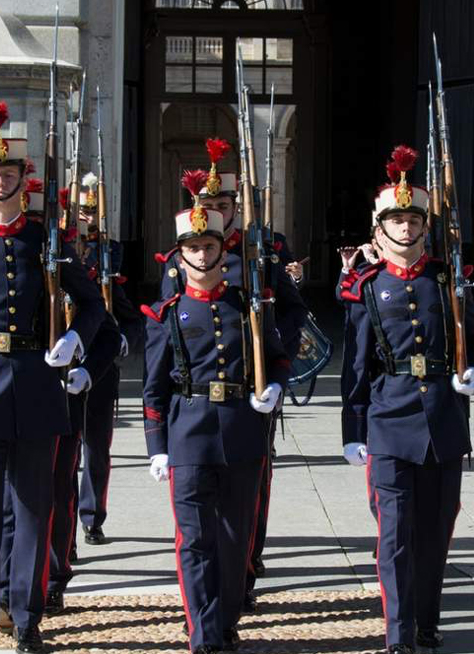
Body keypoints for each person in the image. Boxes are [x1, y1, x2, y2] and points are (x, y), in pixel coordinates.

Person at [0, 101, 118, 654]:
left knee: (34, 517)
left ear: (21, 179)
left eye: (7, 173)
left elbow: (94, 307)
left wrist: (74, 340)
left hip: (37, 389)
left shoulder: (46, 242)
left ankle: (27, 618)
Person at [340, 145, 474, 654]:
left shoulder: (447, 281)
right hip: (389, 419)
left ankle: (427, 621)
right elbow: (356, 367)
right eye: (395, 221)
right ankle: (399, 635)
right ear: (378, 229)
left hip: (444, 423)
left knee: (435, 536)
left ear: (424, 225)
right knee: (395, 538)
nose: (405, 229)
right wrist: (352, 430)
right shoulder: (368, 287)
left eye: (412, 220)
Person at [142, 172, 291, 654]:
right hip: (190, 433)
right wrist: (156, 446)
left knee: (234, 540)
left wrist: (277, 389)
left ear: (222, 250)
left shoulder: (249, 306)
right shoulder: (167, 315)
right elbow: (154, 388)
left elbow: (279, 356)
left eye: (210, 246)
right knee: (194, 541)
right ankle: (203, 634)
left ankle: (225, 622)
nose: (203, 255)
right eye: (194, 248)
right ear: (180, 255)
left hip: (242, 431)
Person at [157, 138, 308, 608]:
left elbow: (292, 308)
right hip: (201, 401)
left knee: (251, 489)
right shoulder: (184, 255)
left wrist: (266, 348)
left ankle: (245, 566)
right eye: (208, 204)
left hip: (251, 386)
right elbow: (170, 324)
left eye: (223, 204)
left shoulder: (264, 252)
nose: (216, 210)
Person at [44, 174, 144, 615]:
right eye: (77, 215)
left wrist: (121, 340)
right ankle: (63, 543)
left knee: (96, 449)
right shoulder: (55, 257)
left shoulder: (109, 256)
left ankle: (91, 517)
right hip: (55, 375)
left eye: (89, 214)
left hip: (98, 369)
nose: (83, 222)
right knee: (59, 465)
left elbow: (129, 315)